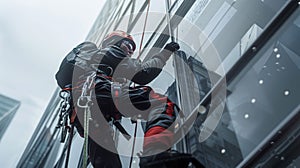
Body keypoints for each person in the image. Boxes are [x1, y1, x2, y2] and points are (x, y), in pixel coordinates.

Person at [64, 30, 199, 168]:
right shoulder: (111, 51)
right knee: (161, 105)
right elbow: (143, 73)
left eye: (132, 49)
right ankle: (154, 153)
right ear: (114, 42)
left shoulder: (90, 62)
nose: (130, 51)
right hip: (100, 93)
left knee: (106, 163)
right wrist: (164, 54)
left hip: (83, 115)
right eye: (127, 45)